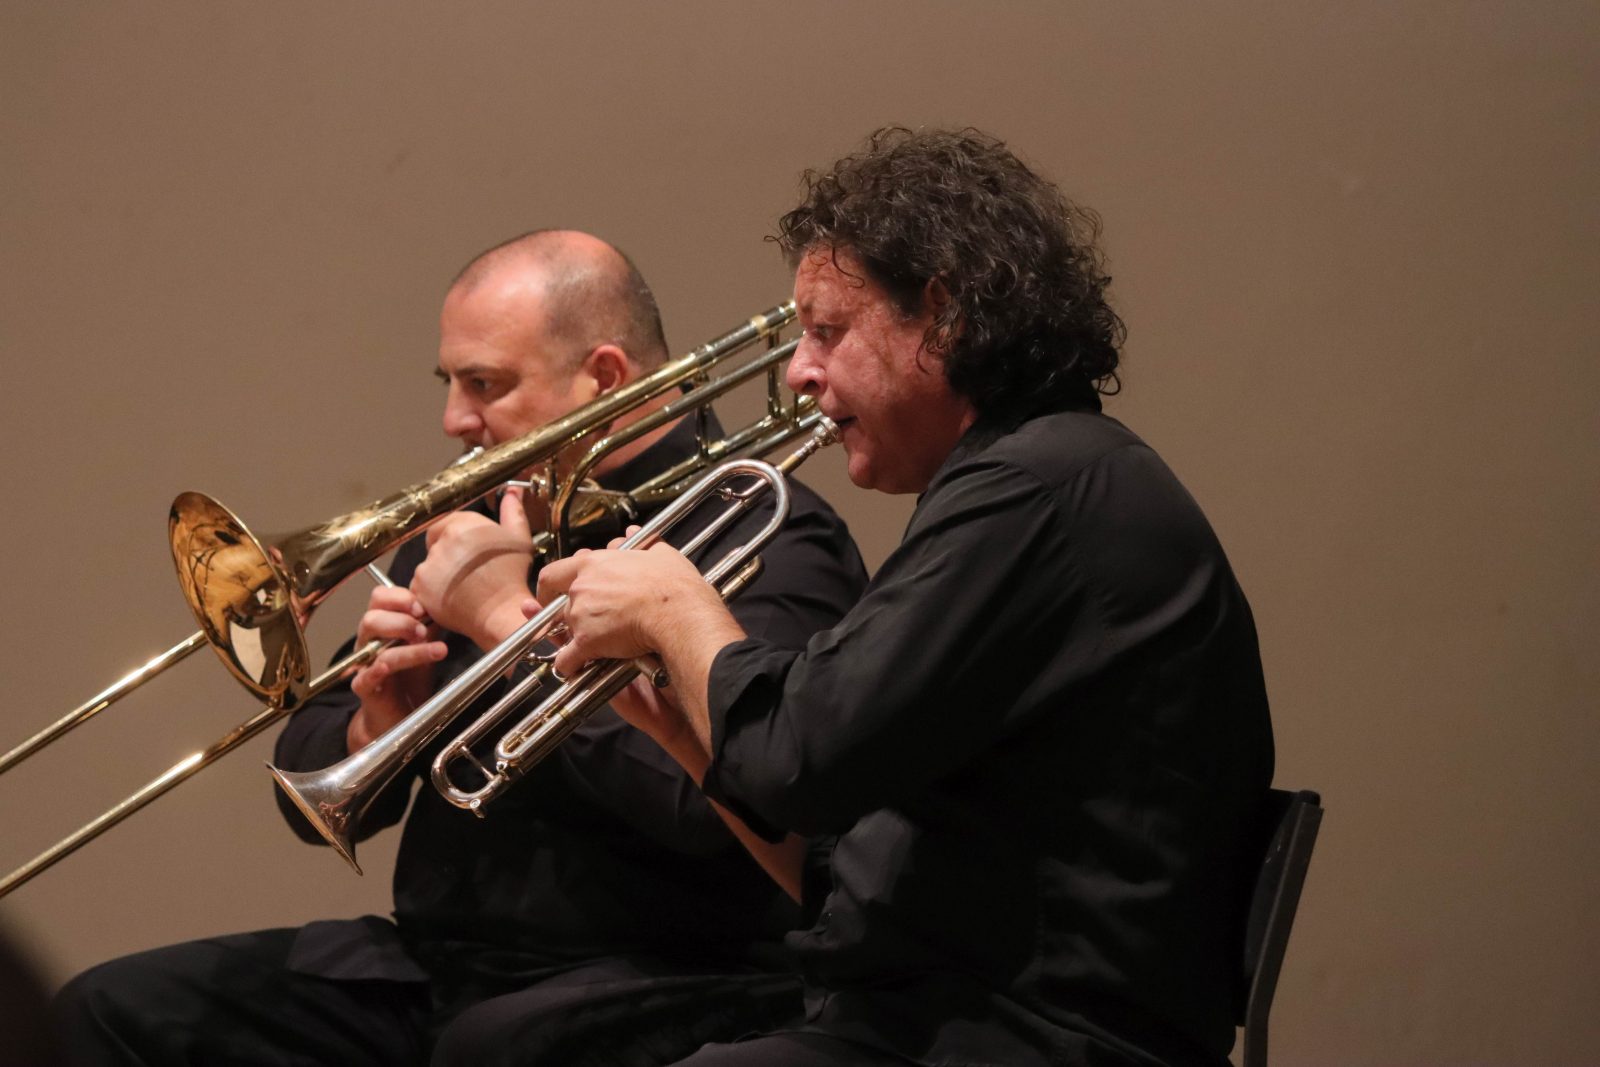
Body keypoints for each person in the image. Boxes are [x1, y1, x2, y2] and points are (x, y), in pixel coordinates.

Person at [537, 129, 1277, 1067]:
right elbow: (841, 870)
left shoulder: (1038, 490)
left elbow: (799, 758)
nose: (800, 370)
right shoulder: (1021, 484)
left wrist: (674, 607)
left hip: (1023, 1039)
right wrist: (686, 732)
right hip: (935, 1018)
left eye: (827, 331)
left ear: (943, 316)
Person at [52, 230, 868, 1066]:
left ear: (605, 377)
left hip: (666, 973)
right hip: (443, 966)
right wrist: (374, 721)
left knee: (490, 1047)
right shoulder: (478, 519)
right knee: (108, 1009)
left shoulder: (771, 531)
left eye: (484, 384)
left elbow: (714, 806)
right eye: (449, 382)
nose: (453, 419)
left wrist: (503, 622)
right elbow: (305, 778)